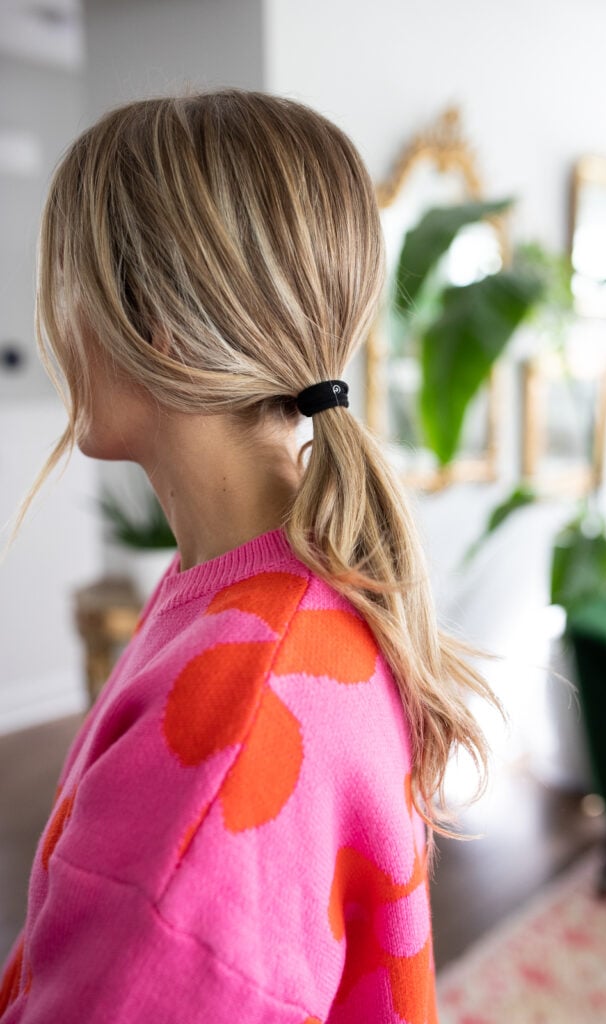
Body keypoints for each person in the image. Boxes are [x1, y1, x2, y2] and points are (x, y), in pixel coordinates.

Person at [0, 90, 503, 1023]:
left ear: (150, 322)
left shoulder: (230, 726)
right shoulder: (262, 591)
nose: (53, 330)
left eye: (63, 285)